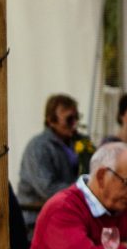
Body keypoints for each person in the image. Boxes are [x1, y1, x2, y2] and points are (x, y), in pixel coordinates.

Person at [17, 93, 84, 236]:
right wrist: (84, 189)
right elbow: (47, 188)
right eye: (69, 119)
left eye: (77, 118)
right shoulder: (39, 146)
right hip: (37, 221)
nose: (75, 123)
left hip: (67, 216)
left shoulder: (81, 143)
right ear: (51, 121)